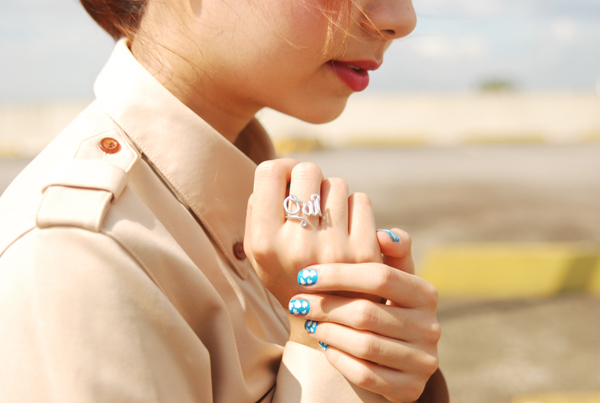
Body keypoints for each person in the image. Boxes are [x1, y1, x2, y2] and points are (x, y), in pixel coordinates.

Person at [0, 0, 448, 401]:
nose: (401, 18)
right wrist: (332, 345)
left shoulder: (264, 195)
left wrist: (392, 366)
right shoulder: (76, 254)